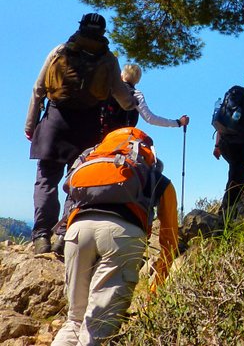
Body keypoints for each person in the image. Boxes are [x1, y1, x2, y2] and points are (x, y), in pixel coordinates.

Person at [51, 129, 179, 345]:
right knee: (98, 329)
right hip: (122, 235)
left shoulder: (92, 162)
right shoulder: (157, 178)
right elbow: (170, 239)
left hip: (77, 232)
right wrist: (156, 286)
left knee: (74, 320)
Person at [25, 13, 137, 255]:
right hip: (87, 128)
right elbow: (122, 97)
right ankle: (63, 237)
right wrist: (132, 103)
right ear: (103, 33)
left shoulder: (60, 50)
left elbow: (38, 89)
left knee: (46, 181)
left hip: (55, 122)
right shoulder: (108, 59)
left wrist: (30, 125)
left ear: (80, 27)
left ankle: (41, 236)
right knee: (76, 183)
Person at [212, 81, 244, 219]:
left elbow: (221, 124)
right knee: (241, 177)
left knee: (234, 174)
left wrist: (217, 146)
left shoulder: (235, 96)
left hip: (224, 144)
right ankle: (226, 216)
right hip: (239, 146)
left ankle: (226, 212)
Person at [101, 63, 190, 135]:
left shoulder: (108, 89)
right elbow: (150, 118)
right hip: (121, 137)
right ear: (138, 80)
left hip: (100, 134)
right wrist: (178, 122)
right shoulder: (136, 94)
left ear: (122, 75)